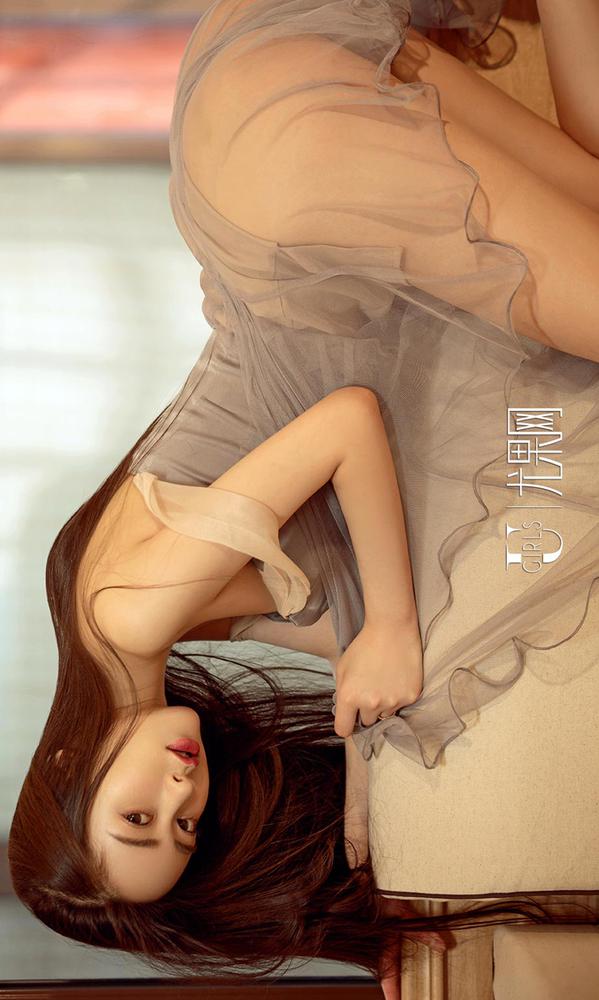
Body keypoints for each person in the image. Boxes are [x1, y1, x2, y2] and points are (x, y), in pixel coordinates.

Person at [8, 0, 599, 993]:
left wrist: (393, 628)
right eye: (185, 829)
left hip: (295, 188)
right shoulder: (129, 624)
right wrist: (362, 748)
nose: (182, 793)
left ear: (68, 771)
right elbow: (336, 629)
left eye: (139, 814)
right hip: (264, 157)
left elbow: (348, 425)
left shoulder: (131, 609)